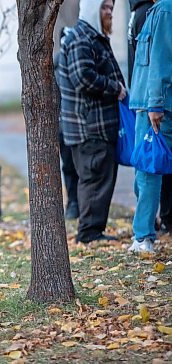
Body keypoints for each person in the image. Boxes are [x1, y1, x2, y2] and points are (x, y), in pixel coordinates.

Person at [58, 0, 127, 244]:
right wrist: (115, 87)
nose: (109, 12)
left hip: (96, 125)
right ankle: (89, 234)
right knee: (95, 179)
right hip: (89, 126)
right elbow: (83, 78)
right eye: (104, 7)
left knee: (98, 179)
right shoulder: (81, 38)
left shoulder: (93, 36)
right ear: (91, 8)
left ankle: (92, 231)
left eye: (111, 7)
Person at [128, 0, 172, 253]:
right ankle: (143, 233)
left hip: (154, 107)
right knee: (143, 170)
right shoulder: (157, 9)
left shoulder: (165, 8)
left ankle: (143, 236)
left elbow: (161, 61)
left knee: (148, 171)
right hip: (144, 104)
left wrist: (155, 104)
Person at [54, 27, 79, 220]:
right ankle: (73, 203)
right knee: (68, 166)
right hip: (62, 125)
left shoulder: (78, 61)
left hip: (78, 123)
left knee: (82, 167)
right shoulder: (53, 65)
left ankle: (80, 203)